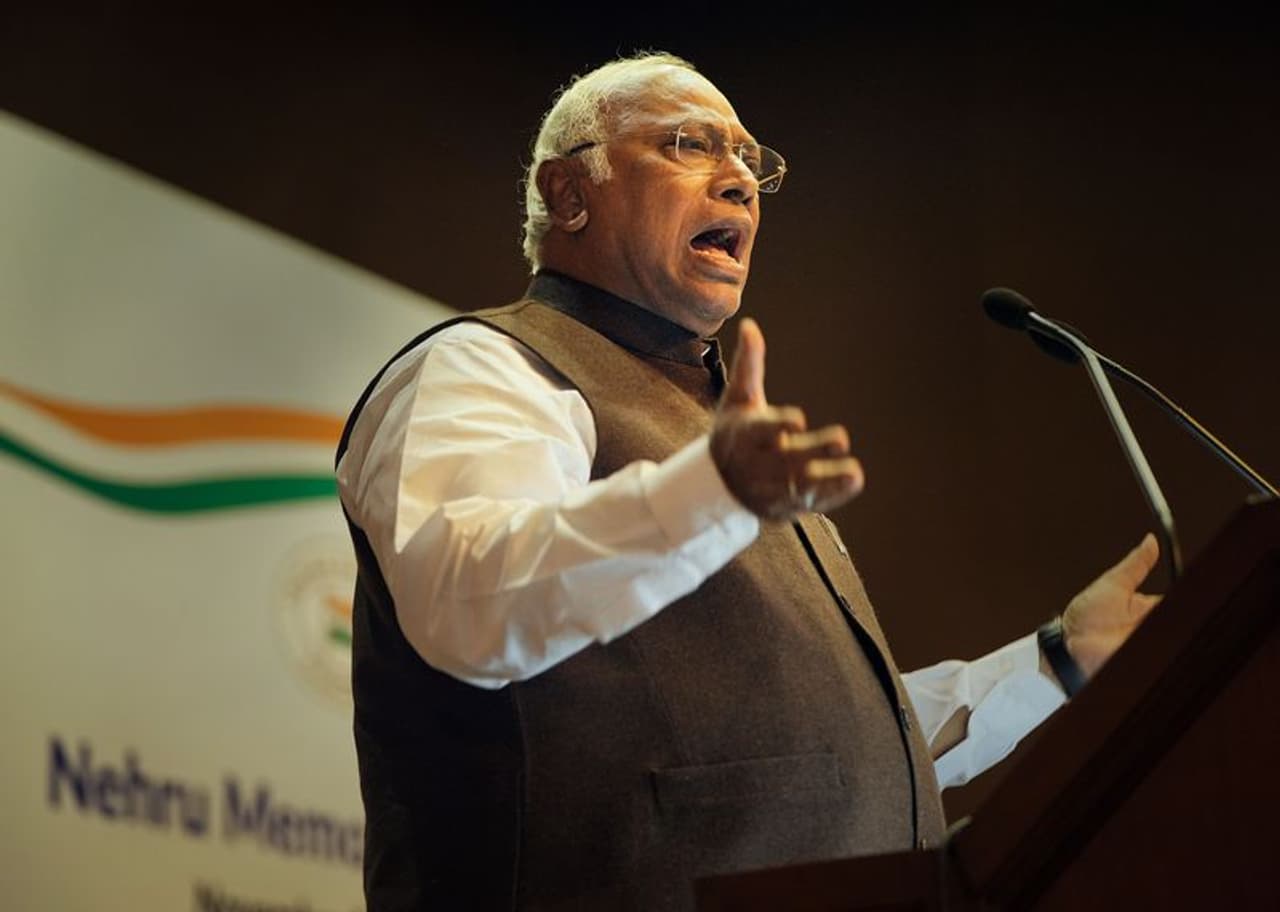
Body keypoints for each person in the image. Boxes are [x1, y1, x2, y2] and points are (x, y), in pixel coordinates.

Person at [335, 52, 1161, 911]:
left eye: (749, 160)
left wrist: (1056, 664)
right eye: (691, 144)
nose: (739, 181)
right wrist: (713, 494)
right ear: (569, 194)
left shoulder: (729, 450)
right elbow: (471, 605)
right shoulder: (484, 367)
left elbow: (831, 759)